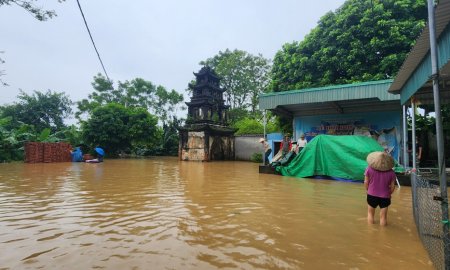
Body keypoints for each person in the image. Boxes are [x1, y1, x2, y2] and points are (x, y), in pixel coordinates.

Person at [364, 151, 396, 226]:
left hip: (371, 195)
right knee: (383, 217)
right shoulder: (391, 172)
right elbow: (393, 186)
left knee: (370, 214)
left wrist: (368, 190)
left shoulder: (369, 169)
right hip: (385, 197)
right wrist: (389, 193)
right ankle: (383, 234)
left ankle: (370, 232)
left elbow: (366, 182)